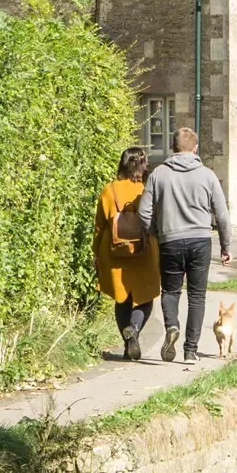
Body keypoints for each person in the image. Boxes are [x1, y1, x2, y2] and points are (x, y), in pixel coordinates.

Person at [137, 127, 233, 363]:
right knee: (197, 296)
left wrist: (156, 233)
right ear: (195, 148)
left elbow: (143, 212)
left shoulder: (158, 174)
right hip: (200, 240)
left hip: (170, 240)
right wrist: (226, 246)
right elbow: (222, 215)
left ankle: (172, 325)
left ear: (172, 147)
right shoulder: (207, 175)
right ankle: (190, 351)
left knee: (170, 291)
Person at [93, 146, 160, 361]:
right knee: (145, 297)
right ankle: (134, 328)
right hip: (143, 251)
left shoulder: (109, 190)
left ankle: (127, 344)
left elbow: (100, 225)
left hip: (115, 251)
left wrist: (96, 252)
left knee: (121, 299)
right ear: (143, 165)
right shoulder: (147, 189)